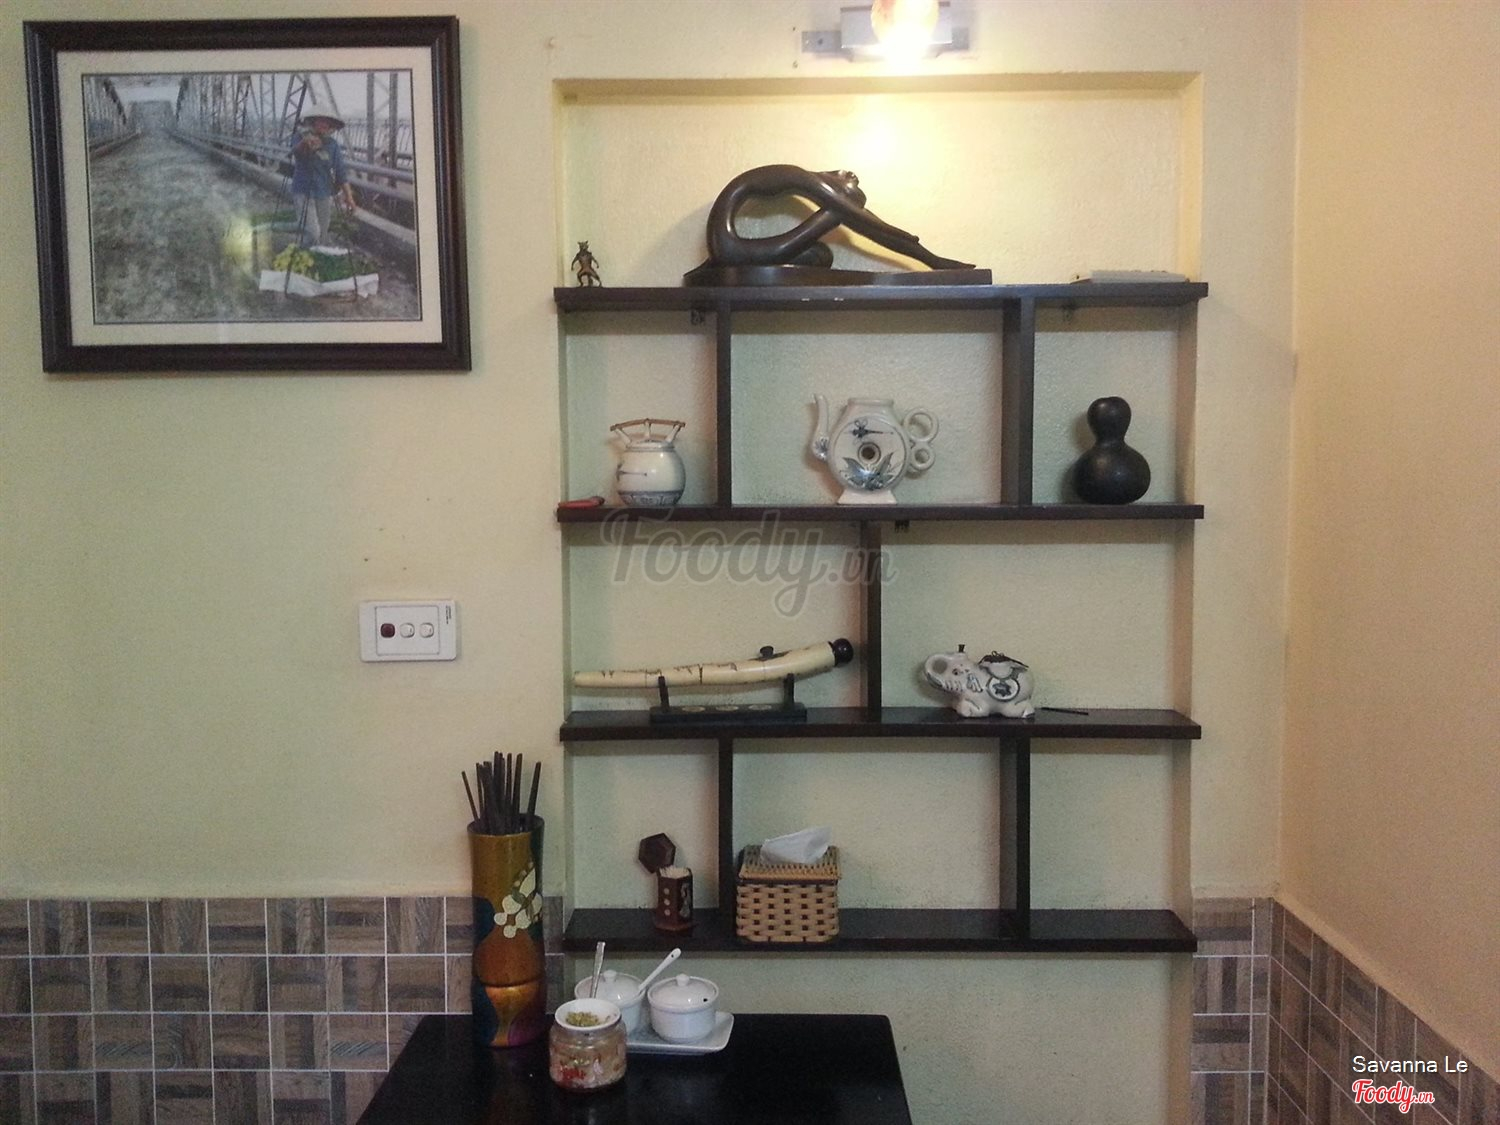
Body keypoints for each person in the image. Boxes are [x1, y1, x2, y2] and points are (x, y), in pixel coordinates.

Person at [289, 113, 356, 249]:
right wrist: (305, 143)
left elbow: (341, 172)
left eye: (327, 122)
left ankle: (315, 256)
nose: (324, 124)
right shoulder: (300, 136)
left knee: (323, 234)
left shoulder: (333, 145)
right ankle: (303, 252)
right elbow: (295, 152)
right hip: (303, 190)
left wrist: (349, 197)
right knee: (313, 233)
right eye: (321, 121)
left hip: (324, 192)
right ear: (313, 121)